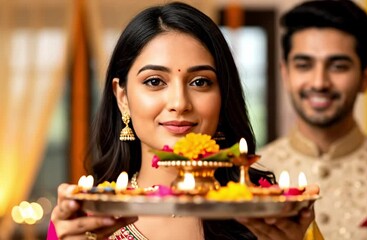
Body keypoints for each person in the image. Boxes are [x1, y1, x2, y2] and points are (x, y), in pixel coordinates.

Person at [49, 2, 319, 240]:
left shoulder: (273, 215)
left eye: (200, 82)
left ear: (223, 95)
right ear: (123, 97)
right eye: (154, 82)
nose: (179, 103)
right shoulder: (85, 220)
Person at [254, 0, 367, 239]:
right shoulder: (250, 177)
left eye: (338, 66)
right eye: (304, 65)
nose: (319, 82)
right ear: (285, 74)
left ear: (366, 77)